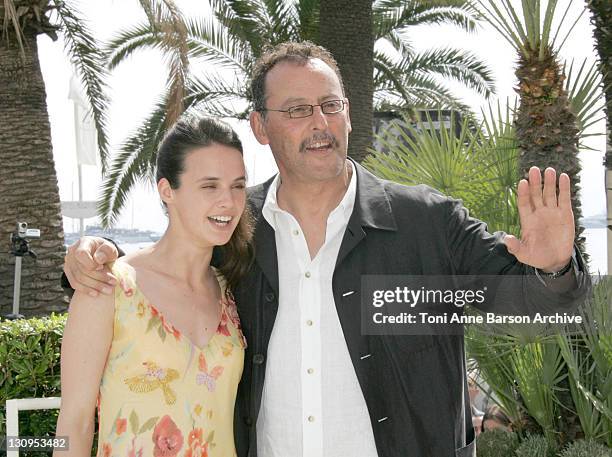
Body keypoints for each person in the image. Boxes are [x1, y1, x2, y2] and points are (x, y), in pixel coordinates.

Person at [63, 41, 589, 457]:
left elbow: (537, 312)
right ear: (260, 126)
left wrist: (555, 267)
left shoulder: (427, 222)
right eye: (295, 110)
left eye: (329, 105)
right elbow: (166, 260)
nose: (318, 123)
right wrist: (94, 251)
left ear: (349, 113)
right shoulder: (235, 230)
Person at [55, 116, 253, 457]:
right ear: (167, 190)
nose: (229, 201)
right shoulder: (109, 287)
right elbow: (74, 423)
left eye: (237, 185)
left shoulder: (233, 290)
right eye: (209, 186)